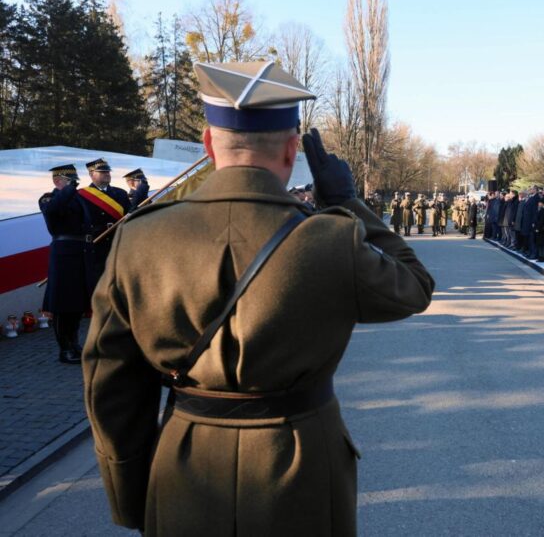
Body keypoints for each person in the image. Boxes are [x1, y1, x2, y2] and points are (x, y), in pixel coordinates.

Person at [82, 60, 434, 536]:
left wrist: (130, 496)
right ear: (293, 152)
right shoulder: (332, 238)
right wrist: (349, 202)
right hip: (303, 464)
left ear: (208, 144)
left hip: (185, 463)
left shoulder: (139, 239)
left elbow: (110, 382)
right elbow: (414, 286)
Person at [39, 164, 93, 364]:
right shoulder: (49, 198)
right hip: (63, 255)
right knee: (63, 303)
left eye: (73, 180)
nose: (73, 183)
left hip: (81, 252)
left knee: (77, 302)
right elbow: (54, 210)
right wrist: (69, 189)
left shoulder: (79, 199)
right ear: (56, 181)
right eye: (68, 180)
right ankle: (65, 349)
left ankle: (74, 343)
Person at [80, 158, 131, 283]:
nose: (107, 174)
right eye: (102, 172)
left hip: (118, 240)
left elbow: (129, 214)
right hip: (97, 243)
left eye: (108, 172)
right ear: (92, 174)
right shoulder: (82, 195)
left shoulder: (120, 193)